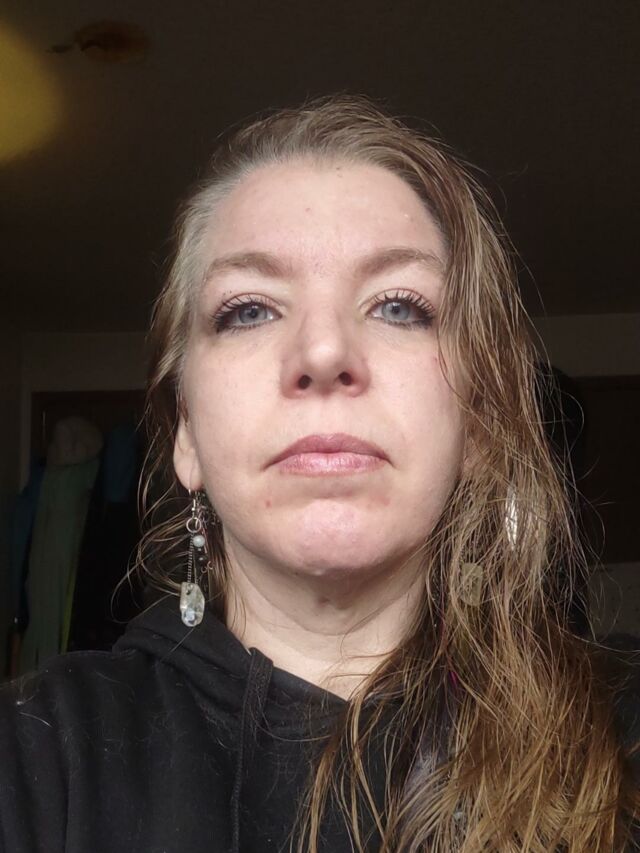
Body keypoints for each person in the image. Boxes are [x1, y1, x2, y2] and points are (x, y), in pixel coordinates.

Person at [1, 95, 639, 853]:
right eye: (248, 310)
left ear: (477, 424)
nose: (325, 351)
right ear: (186, 435)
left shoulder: (620, 733)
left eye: (399, 306)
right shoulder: (31, 753)